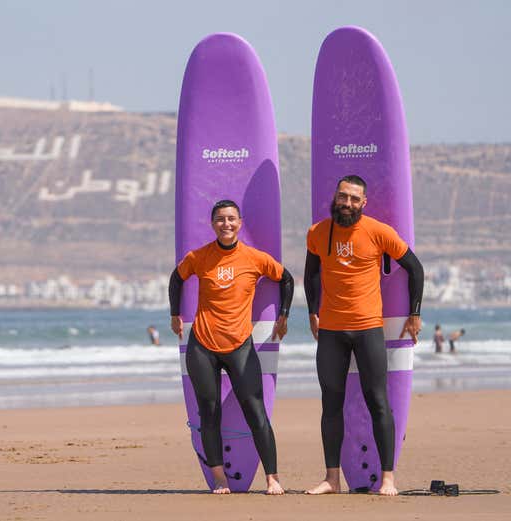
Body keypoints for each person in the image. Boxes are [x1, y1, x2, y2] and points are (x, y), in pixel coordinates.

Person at [303, 175, 424, 496]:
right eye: (343, 197)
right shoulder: (317, 233)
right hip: (331, 331)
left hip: (368, 328)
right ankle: (332, 479)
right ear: (335, 196)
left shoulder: (378, 232)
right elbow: (311, 273)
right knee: (331, 404)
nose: (347, 203)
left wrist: (414, 313)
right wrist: (312, 311)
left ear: (363, 203)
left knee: (378, 402)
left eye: (354, 199)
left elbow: (415, 268)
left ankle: (388, 479)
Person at [169, 199, 294, 495]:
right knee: (209, 412)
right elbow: (177, 278)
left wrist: (284, 315)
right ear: (213, 224)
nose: (226, 224)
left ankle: (272, 478)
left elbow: (286, 279)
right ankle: (220, 479)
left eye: (231, 219)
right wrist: (175, 314)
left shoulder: (254, 258)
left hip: (240, 346)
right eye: (220, 219)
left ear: (239, 223)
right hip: (202, 345)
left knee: (256, 411)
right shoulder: (199, 257)